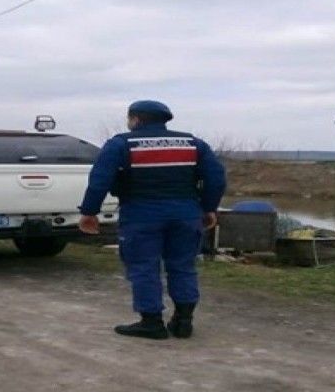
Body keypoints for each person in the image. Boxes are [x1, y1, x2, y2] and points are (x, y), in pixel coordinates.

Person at [78, 101, 226, 340]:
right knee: (183, 266)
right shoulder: (193, 144)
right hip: (186, 214)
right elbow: (216, 179)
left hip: (140, 215)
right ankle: (183, 321)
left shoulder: (121, 143)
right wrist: (209, 208)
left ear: (135, 119)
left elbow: (100, 180)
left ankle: (151, 323)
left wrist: (89, 211)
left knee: (143, 267)